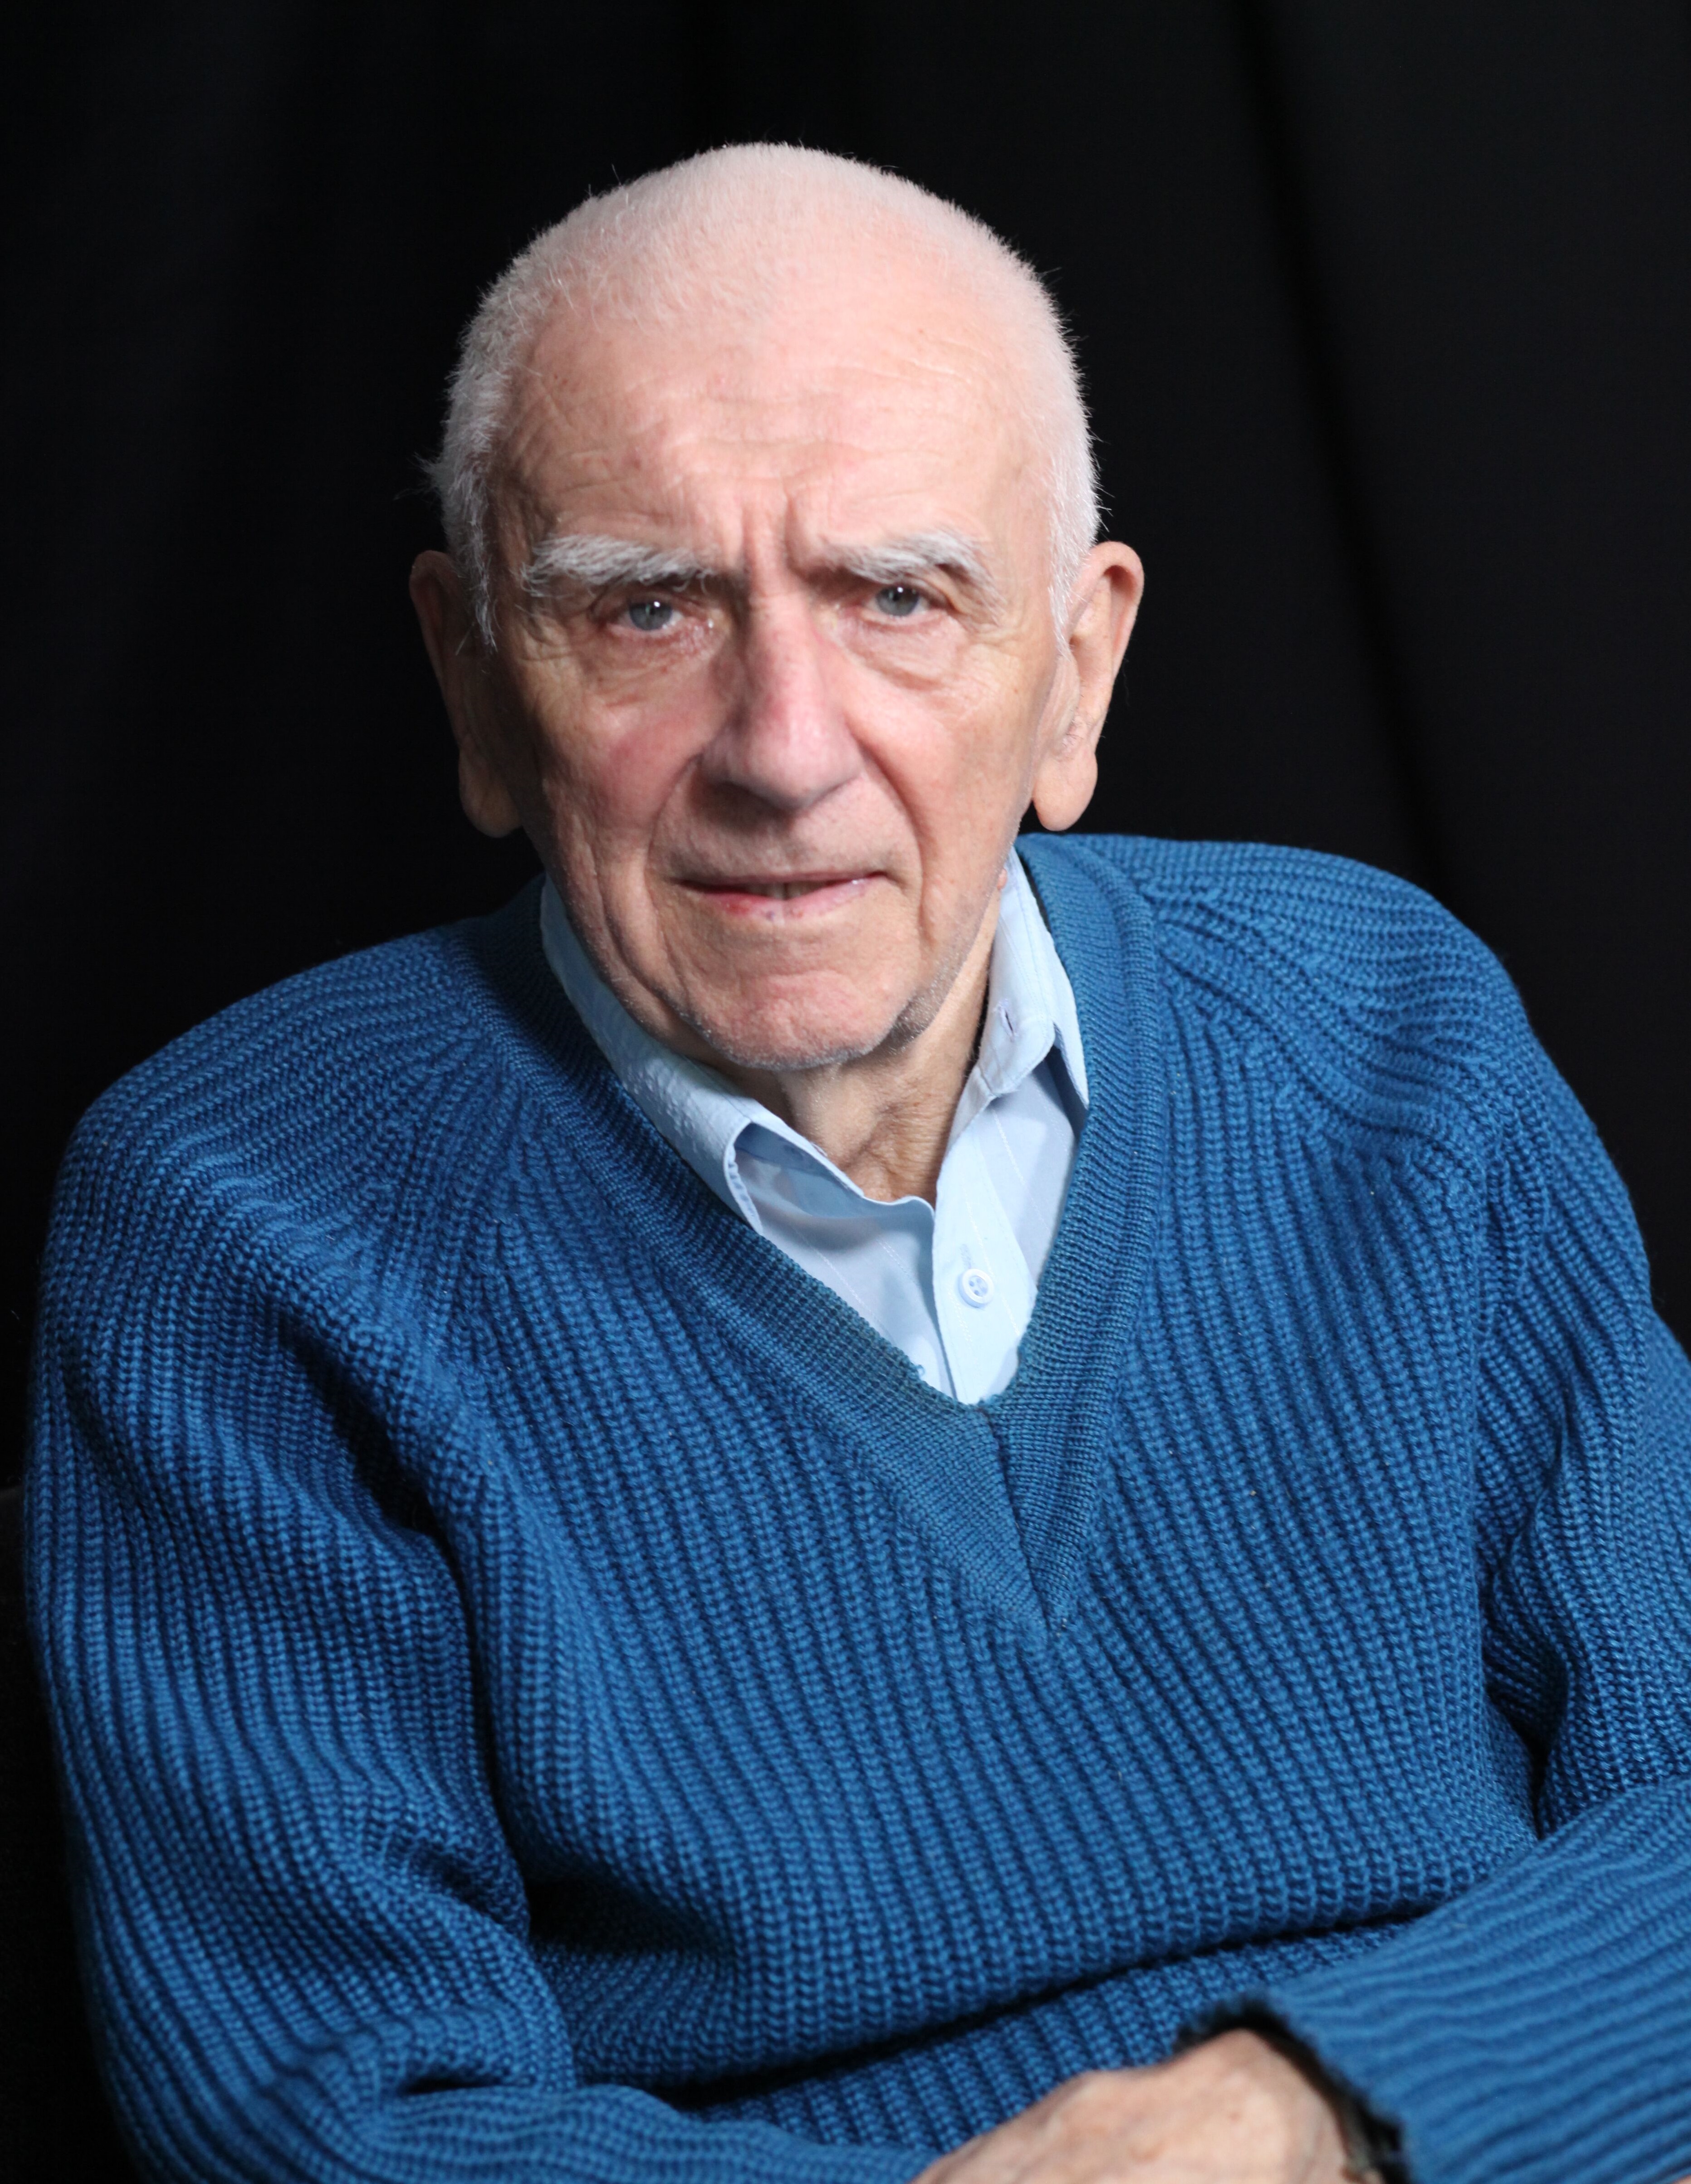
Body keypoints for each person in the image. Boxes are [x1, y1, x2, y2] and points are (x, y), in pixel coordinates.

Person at [26, 144, 1691, 2184]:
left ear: (1074, 671)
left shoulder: (1385, 1034)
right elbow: (337, 2120)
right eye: (648, 608)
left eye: (897, 597)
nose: (784, 749)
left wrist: (1309, 2114)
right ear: (472, 679)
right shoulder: (236, 1217)